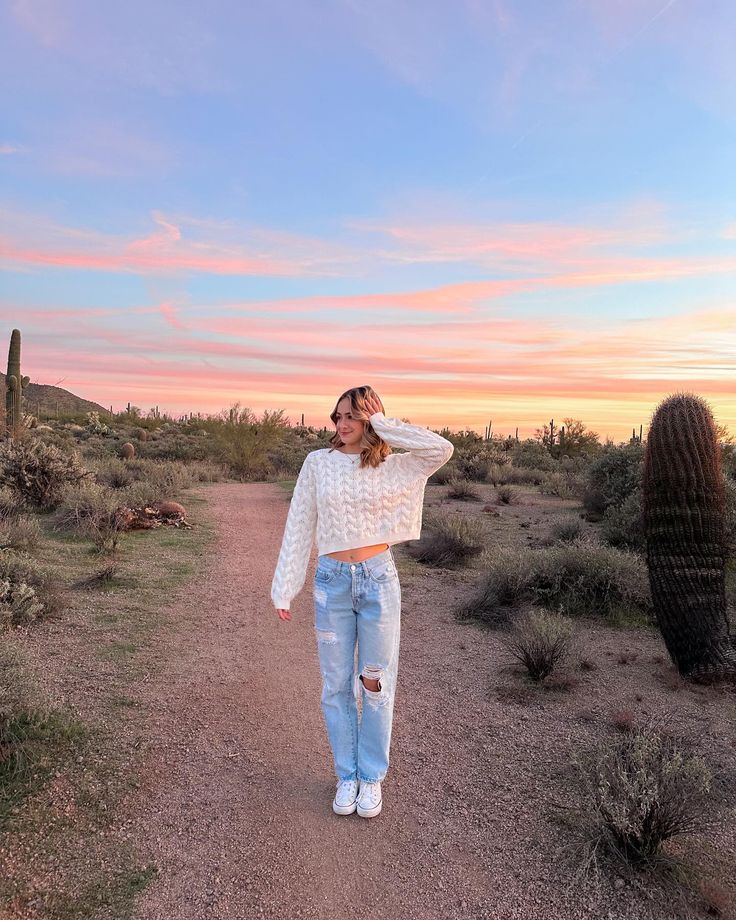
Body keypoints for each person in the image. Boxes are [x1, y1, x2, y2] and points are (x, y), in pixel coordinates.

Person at [271, 385, 454, 818]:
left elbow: (440, 449)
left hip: (377, 582)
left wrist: (384, 425)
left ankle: (371, 777)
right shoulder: (318, 464)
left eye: (352, 416)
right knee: (335, 687)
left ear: (370, 418)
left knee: (374, 683)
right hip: (332, 583)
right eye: (337, 417)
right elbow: (299, 524)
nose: (343, 424)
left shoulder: (392, 466)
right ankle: (346, 775)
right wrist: (285, 586)